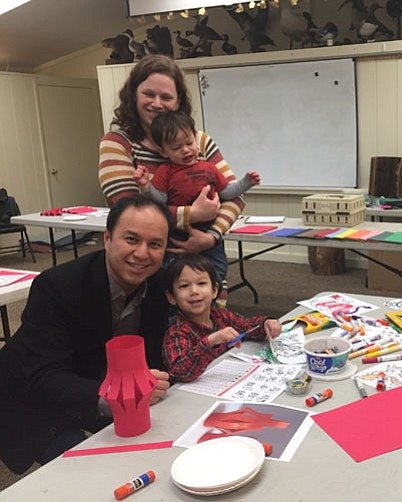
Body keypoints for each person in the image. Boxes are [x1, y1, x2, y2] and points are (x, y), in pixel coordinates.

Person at [0, 195, 172, 474]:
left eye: (155, 244)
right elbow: (43, 377)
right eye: (131, 239)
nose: (142, 253)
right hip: (36, 401)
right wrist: (114, 398)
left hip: (102, 385)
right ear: (107, 238)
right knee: (93, 474)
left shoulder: (159, 285)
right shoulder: (56, 287)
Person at [98, 54, 244, 301]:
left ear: (178, 102)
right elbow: (128, 209)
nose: (157, 103)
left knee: (208, 329)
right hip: (144, 271)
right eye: (149, 94)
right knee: (159, 332)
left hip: (204, 266)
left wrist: (210, 237)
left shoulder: (198, 141)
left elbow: (234, 196)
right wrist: (193, 215)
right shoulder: (117, 143)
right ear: (133, 95)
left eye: (166, 97)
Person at [134, 110, 260, 288]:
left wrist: (247, 182)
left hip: (208, 229)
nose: (185, 150)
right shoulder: (165, 171)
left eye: (189, 143)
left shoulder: (210, 167)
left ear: (195, 138)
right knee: (172, 273)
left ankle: (210, 302)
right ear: (163, 151)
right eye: (176, 148)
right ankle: (175, 308)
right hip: (176, 231)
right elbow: (158, 201)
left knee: (216, 268)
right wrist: (145, 186)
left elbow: (228, 193)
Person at [162, 253, 281, 382]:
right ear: (171, 297)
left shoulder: (220, 316)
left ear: (214, 290)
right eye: (184, 286)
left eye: (201, 283)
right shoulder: (177, 333)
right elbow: (179, 371)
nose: (194, 291)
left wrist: (265, 324)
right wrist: (211, 341)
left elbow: (247, 326)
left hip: (226, 383)